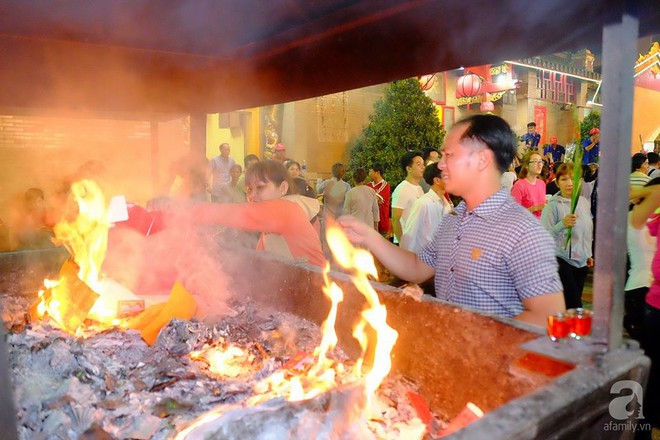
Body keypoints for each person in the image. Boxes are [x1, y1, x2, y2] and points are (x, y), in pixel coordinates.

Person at [338, 114, 564, 326]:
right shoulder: (453, 220)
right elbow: (417, 267)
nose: (440, 165)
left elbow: (547, 316)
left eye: (450, 155)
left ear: (482, 159)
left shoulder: (523, 231)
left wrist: (472, 336)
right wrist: (368, 235)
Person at [190, 160, 325, 267]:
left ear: (283, 188)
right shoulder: (268, 227)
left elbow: (243, 214)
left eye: (260, 187)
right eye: (249, 189)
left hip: (318, 291)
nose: (252, 195)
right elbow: (259, 263)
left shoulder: (287, 209)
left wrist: (188, 211)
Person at [541, 163, 594, 309]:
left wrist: (588, 253)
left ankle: (565, 330)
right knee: (574, 305)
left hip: (581, 261)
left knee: (571, 304)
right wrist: (562, 224)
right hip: (561, 260)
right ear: (557, 183)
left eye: (573, 178)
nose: (569, 183)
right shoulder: (552, 206)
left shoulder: (583, 202)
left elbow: (587, 230)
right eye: (564, 179)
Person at [630, 178, 660, 432]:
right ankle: (644, 424)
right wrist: (651, 192)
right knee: (650, 372)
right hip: (655, 303)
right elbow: (637, 220)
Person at [400, 163, 453, 253]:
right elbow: (409, 235)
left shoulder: (446, 204)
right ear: (437, 180)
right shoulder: (422, 203)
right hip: (423, 259)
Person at [391, 151, 425, 243]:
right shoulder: (402, 189)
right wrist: (403, 243)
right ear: (409, 169)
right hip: (405, 243)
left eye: (423, 164)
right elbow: (395, 219)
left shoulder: (420, 188)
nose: (423, 167)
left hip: (417, 242)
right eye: (418, 164)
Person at [511, 150, 546, 219]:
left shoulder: (541, 183)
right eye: (535, 161)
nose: (539, 164)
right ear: (526, 166)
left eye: (541, 161)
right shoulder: (519, 185)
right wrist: (534, 208)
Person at [367, 163, 391, 239]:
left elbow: (376, 200)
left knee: (382, 249)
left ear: (377, 172)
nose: (369, 174)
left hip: (382, 225)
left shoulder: (385, 185)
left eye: (370, 171)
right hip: (370, 224)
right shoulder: (368, 185)